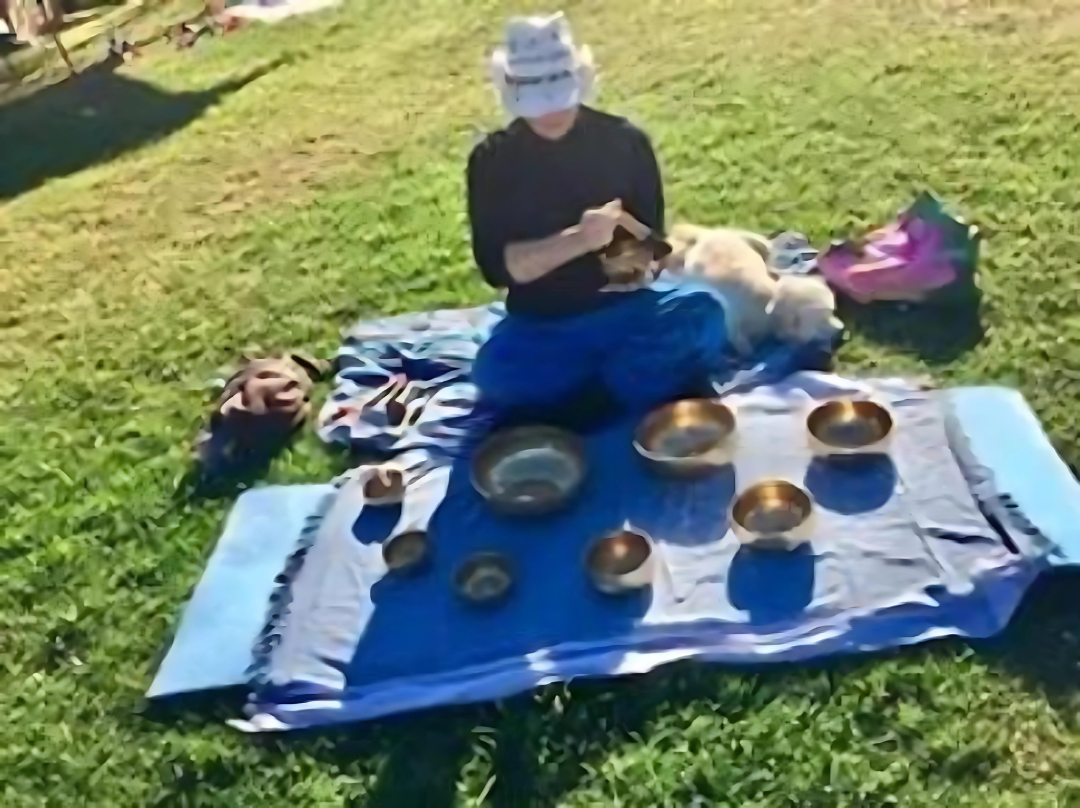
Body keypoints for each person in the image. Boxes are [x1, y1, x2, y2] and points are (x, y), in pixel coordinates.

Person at [467, 13, 730, 426]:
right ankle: (628, 387)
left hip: (625, 311)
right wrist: (579, 239)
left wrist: (637, 248)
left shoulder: (625, 142)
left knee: (704, 310)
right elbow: (499, 269)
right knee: (494, 373)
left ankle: (589, 399)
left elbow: (648, 261)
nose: (552, 112)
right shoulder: (492, 160)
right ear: (511, 89)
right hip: (542, 325)